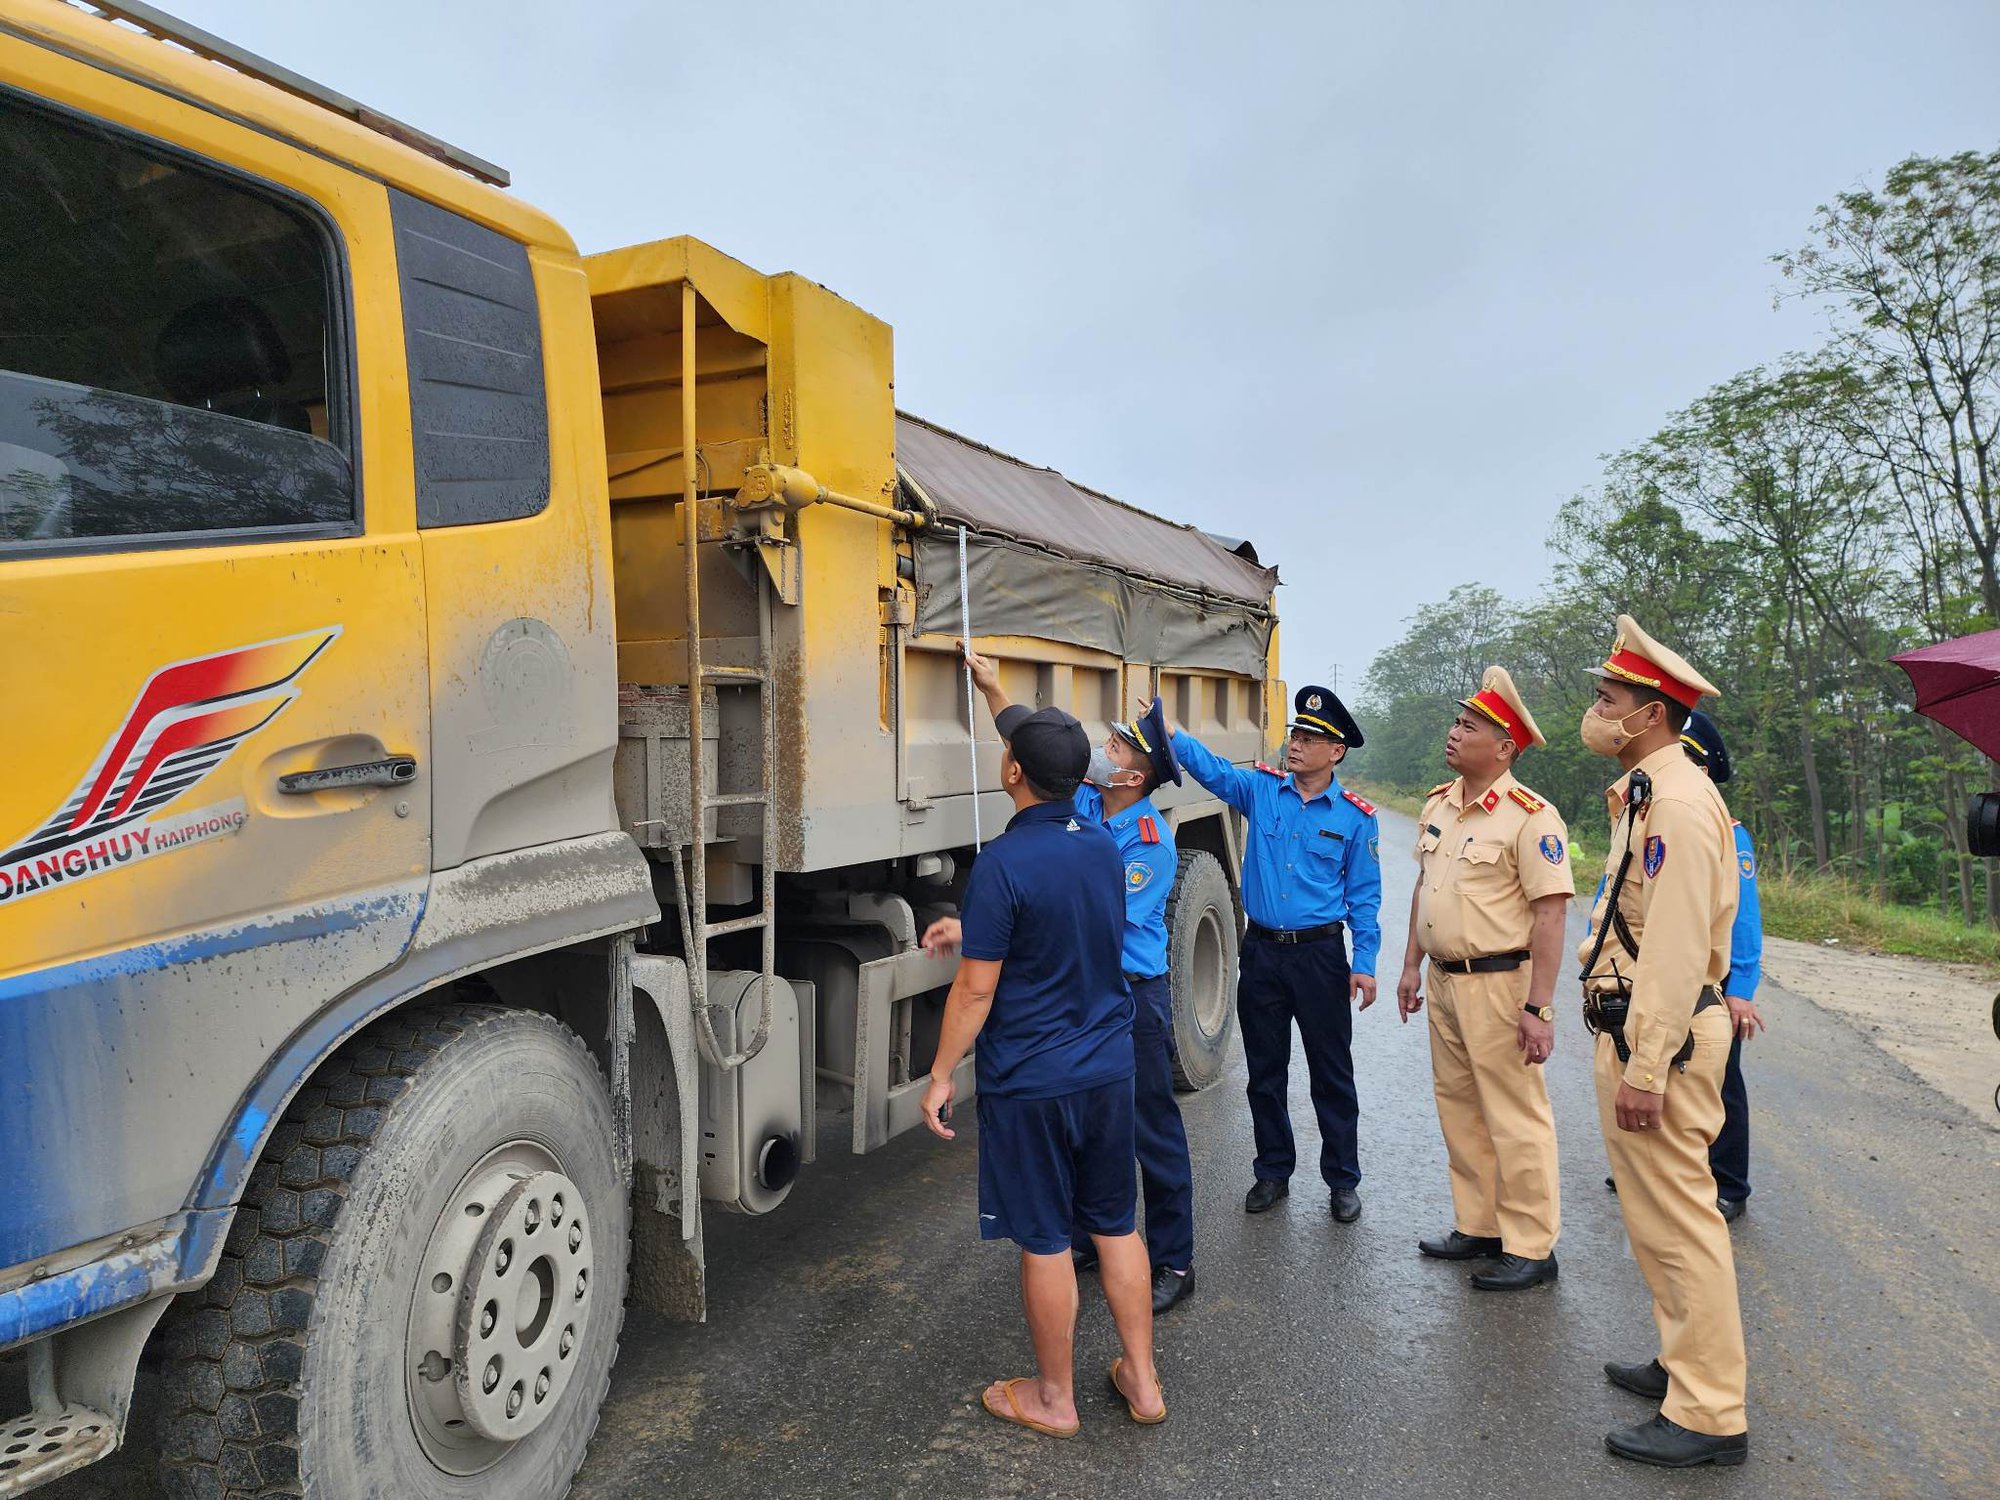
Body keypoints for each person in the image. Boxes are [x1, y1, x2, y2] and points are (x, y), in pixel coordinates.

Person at [919, 697, 1166, 1435]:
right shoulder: (1100, 842)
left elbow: (976, 987)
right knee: (1118, 1226)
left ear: (1013, 771)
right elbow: (1070, 921)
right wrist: (980, 924)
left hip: (1033, 1078)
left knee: (1048, 1238)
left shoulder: (1003, 862)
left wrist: (939, 1075)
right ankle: (1143, 1382)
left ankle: (1055, 1399)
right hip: (1106, 1069)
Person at [934, 648, 1197, 1314]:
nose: (1101, 748)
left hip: (1130, 997)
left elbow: (1081, 915)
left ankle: (1171, 1258)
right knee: (1089, 1132)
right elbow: (1030, 742)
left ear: (1135, 772)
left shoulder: (1146, 839)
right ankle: (1088, 1240)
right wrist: (993, 687)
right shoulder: (1082, 797)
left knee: (1147, 1132)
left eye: (1114, 745)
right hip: (1088, 990)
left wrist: (977, 933)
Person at [1576, 615, 1748, 1468]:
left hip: (1665, 1040)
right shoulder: (1648, 789)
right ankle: (1684, 1364)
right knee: (1656, 1221)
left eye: (1607, 698)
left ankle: (1710, 1413)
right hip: (1644, 1029)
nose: (1596, 710)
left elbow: (1678, 950)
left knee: (1682, 1223)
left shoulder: (1674, 802)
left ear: (1647, 713)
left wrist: (1647, 1066)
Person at [1167, 685, 1382, 1223]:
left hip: (1320, 957)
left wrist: (1365, 964)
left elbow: (1365, 897)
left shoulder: (1356, 818)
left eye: (1311, 738)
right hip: (1261, 952)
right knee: (1265, 1072)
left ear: (1336, 752)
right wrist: (1173, 735)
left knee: (1331, 1073)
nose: (1296, 743)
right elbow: (1213, 771)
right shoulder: (1262, 790)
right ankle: (1272, 1171)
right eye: (1295, 733)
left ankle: (1342, 1179)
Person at [1395, 667, 1574, 1291]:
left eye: (1468, 726)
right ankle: (1480, 1224)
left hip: (1501, 984)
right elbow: (1426, 887)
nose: (1453, 733)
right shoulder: (1440, 803)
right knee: (1461, 1107)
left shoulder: (1532, 817)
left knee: (1516, 1114)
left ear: (1504, 748)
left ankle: (1530, 1244)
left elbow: (1551, 914)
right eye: (1456, 721)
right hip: (1444, 980)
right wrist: (1411, 965)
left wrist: (1540, 1007)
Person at [1679, 710, 1765, 1223]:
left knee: (1720, 1079)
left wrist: (1742, 988)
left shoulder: (1730, 834)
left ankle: (1729, 1183)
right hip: (1653, 971)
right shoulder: (1639, 817)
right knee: (1653, 1066)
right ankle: (1661, 1167)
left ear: (1704, 771)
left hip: (1713, 978)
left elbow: (1745, 919)